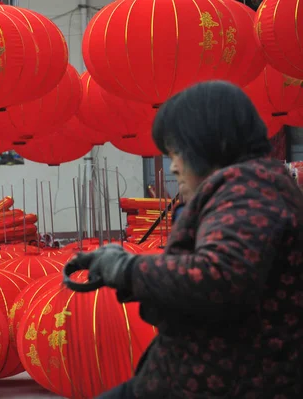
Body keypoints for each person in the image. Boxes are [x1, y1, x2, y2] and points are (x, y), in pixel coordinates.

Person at [66, 81, 303, 398]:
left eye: (177, 152)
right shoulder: (253, 188)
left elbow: (221, 278)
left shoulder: (247, 191)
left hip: (222, 384)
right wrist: (122, 269)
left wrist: (127, 270)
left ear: (211, 143)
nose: (173, 167)